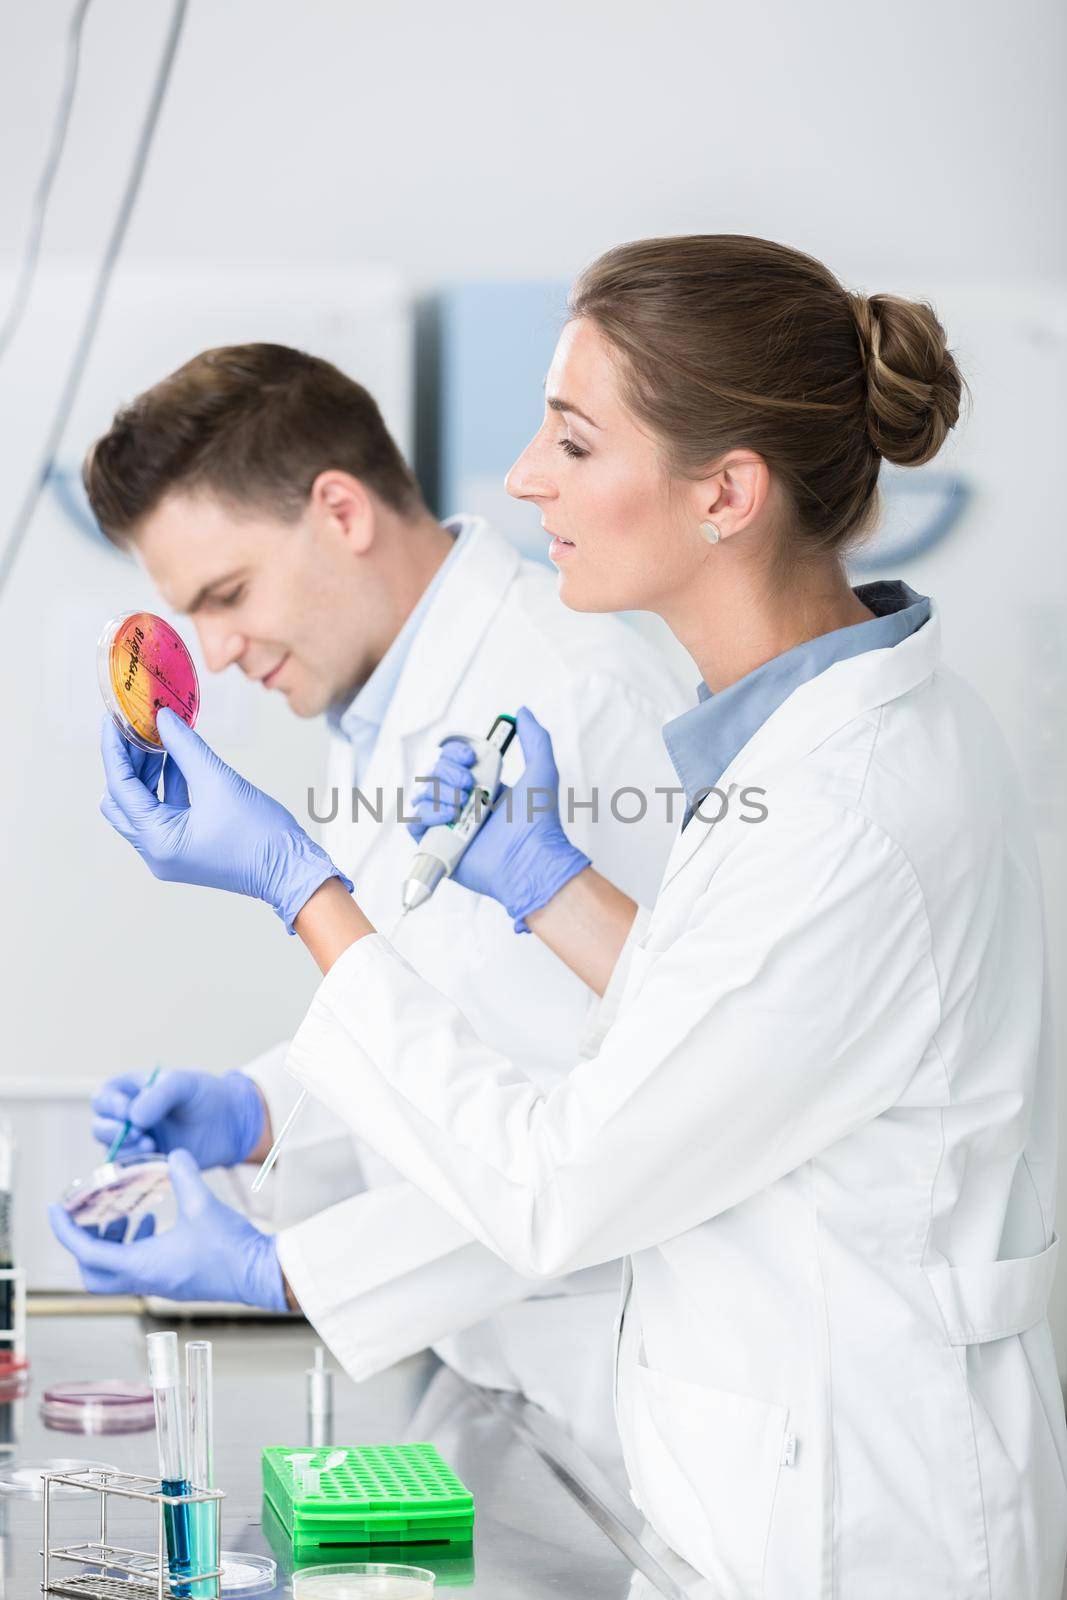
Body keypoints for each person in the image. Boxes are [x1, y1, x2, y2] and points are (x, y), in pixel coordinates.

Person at [68, 237, 1067, 1598]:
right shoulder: (805, 748)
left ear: (723, 492)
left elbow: (566, 1162)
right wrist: (546, 896)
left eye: (573, 441)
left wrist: (298, 891)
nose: (526, 476)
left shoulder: (828, 799)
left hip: (830, 1503)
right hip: (730, 1455)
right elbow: (703, 1027)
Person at [56, 342, 687, 1474]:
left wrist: (279, 1266)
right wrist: (255, 1111)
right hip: (502, 1387)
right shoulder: (374, 717)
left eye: (228, 595)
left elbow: (595, 1136)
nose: (217, 653)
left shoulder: (570, 697)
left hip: (625, 1402)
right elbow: (444, 1029)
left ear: (339, 509)